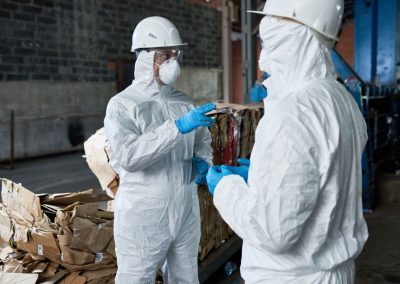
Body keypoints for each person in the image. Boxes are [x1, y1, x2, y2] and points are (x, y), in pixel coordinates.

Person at [206, 0, 369, 283]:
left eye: (273, 30)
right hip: (332, 271)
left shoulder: (294, 112)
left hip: (292, 276)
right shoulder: (341, 99)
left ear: (299, 33)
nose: (264, 53)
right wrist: (260, 177)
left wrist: (226, 188)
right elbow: (323, 178)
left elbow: (272, 232)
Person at [104, 16, 215, 284]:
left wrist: (203, 160)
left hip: (185, 207)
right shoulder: (123, 105)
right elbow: (128, 156)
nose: (172, 61)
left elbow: (202, 139)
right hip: (144, 213)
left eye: (175, 54)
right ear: (145, 57)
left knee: (186, 275)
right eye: (165, 54)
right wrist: (176, 128)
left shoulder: (183, 102)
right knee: (136, 278)